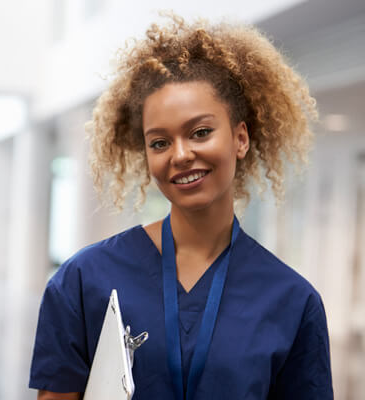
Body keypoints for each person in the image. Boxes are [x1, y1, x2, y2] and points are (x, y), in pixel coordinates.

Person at [29, 14, 334, 400]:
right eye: (159, 142)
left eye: (200, 132)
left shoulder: (292, 301)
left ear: (240, 139)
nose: (181, 154)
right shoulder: (83, 280)